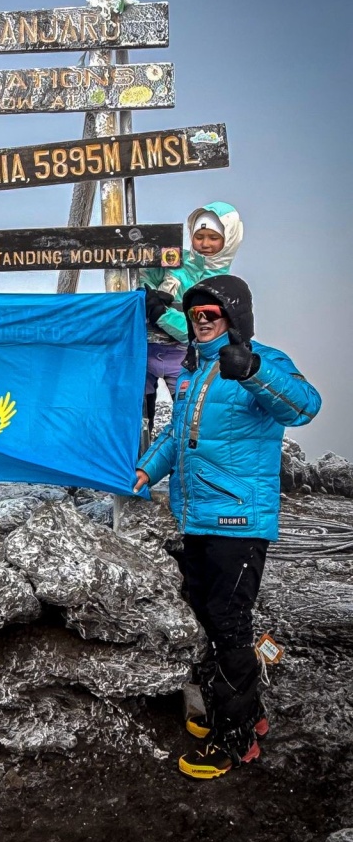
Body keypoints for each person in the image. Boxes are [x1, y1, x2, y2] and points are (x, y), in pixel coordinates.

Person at [133, 274, 320, 779]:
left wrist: (255, 370)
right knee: (208, 617)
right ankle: (245, 713)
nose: (200, 322)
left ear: (235, 317)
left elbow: (305, 405)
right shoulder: (194, 375)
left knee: (228, 624)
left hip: (240, 521)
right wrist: (146, 470)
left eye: (210, 314)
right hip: (197, 518)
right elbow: (175, 435)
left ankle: (235, 741)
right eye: (195, 316)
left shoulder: (262, 361)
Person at [141, 202, 243, 432]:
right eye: (199, 236)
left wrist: (160, 313)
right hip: (143, 350)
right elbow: (141, 274)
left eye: (213, 237)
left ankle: (180, 466)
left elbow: (198, 330)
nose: (205, 244)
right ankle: (139, 466)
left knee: (186, 421)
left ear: (230, 237)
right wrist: (149, 291)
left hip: (185, 358)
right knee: (138, 421)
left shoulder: (224, 286)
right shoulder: (176, 259)